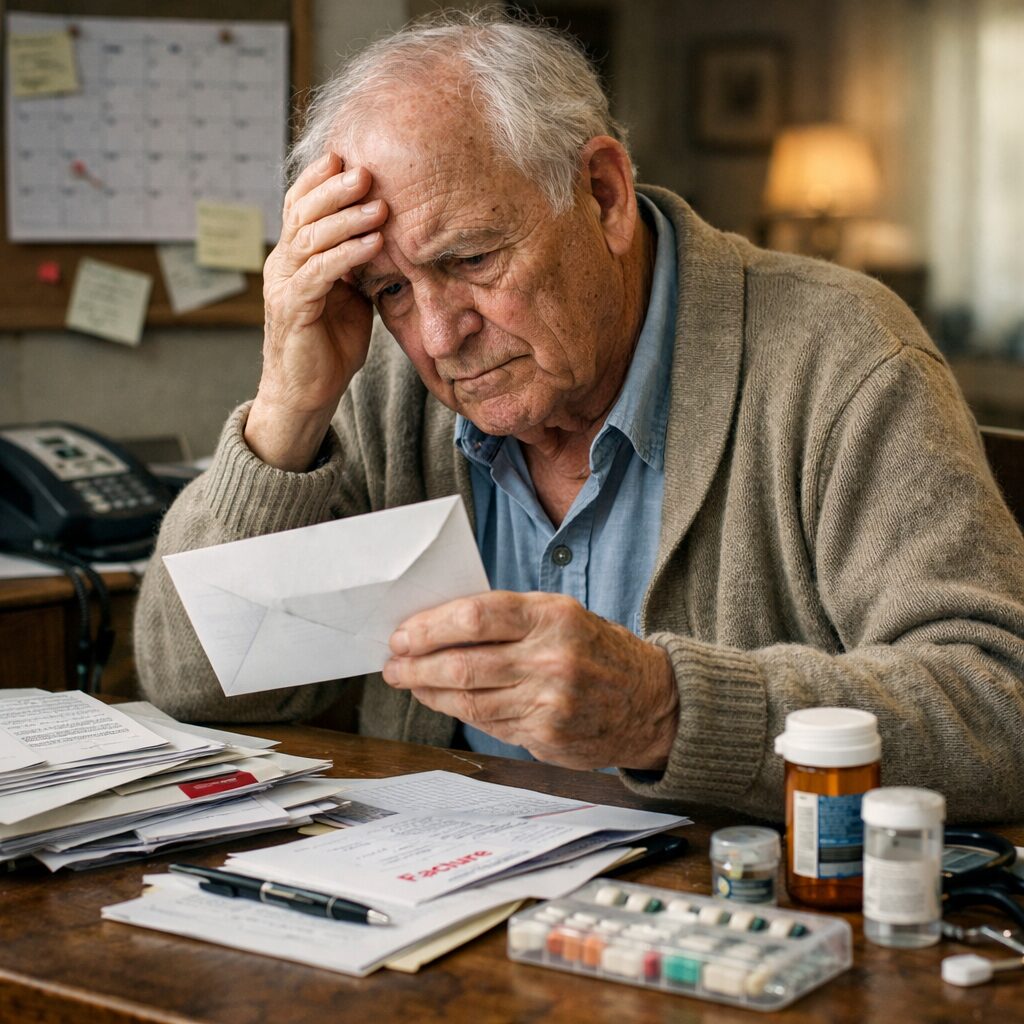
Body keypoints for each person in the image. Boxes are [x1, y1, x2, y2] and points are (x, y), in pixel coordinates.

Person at [136, 10, 1024, 821]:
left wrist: (665, 709)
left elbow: (999, 707)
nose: (440, 335)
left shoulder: (840, 353)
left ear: (601, 194)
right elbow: (190, 684)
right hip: (442, 927)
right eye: (391, 289)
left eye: (474, 257)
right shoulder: (379, 379)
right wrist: (288, 408)